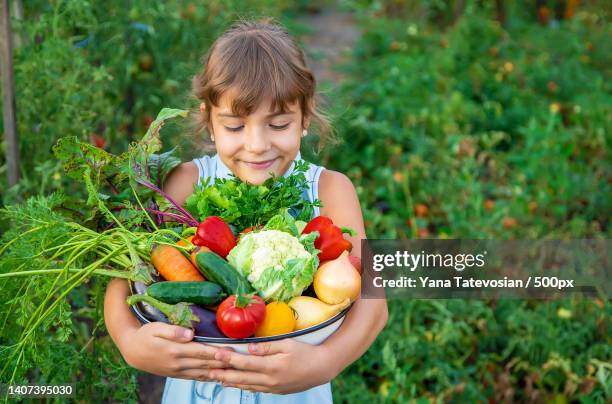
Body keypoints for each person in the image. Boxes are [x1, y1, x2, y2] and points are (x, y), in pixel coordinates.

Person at [104, 18, 388, 403]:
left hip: (294, 390)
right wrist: (129, 341)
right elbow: (122, 280)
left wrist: (324, 362)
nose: (257, 145)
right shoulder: (184, 184)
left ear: (305, 117)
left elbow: (375, 303)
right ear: (209, 121)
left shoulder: (329, 189)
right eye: (235, 127)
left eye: (279, 124)